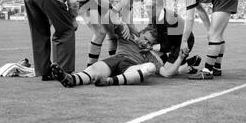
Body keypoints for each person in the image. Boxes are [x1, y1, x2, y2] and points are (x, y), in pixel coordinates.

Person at [24, 0, 103, 80]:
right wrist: (72, 19)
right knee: (66, 30)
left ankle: (44, 71)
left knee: (40, 33)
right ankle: (62, 71)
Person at [50, 25, 190, 88]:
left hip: (130, 68)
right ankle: (70, 79)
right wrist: (123, 23)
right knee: (94, 69)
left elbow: (167, 73)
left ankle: (110, 81)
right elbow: (111, 21)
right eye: (145, 38)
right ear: (140, 33)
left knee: (150, 68)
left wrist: (181, 57)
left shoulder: (149, 55)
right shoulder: (127, 36)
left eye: (149, 42)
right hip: (116, 60)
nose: (145, 43)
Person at [160, 0, 238, 80]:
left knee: (214, 35)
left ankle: (207, 71)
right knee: (216, 34)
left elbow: (190, 18)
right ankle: (216, 68)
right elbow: (201, 10)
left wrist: (184, 41)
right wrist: (208, 28)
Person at [82, 0, 155, 67]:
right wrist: (123, 24)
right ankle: (90, 68)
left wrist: (138, 36)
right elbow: (112, 16)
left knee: (113, 34)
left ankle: (114, 63)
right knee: (100, 33)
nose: (142, 1)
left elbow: (128, 21)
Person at [144, 0, 201, 77]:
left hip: (182, 41)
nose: (147, 10)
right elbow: (150, 32)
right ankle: (174, 62)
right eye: (146, 7)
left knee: (168, 71)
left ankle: (186, 66)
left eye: (151, 7)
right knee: (151, 43)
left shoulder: (169, 20)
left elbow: (167, 46)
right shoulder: (155, 15)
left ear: (160, 7)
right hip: (172, 39)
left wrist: (151, 47)